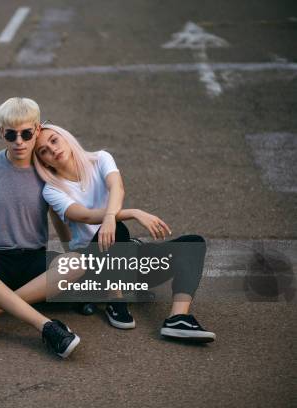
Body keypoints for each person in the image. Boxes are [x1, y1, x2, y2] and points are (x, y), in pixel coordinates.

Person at [33, 123, 216, 342]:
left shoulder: (100, 158)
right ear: (42, 161)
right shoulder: (52, 189)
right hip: (91, 266)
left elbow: (116, 187)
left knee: (193, 243)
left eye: (54, 140)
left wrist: (111, 218)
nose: (52, 150)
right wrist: (131, 213)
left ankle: (178, 319)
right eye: (43, 151)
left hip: (123, 255)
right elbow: (83, 215)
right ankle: (115, 300)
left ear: (65, 138)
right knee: (117, 229)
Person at [0, 98, 82, 358]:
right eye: (11, 134)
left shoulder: (48, 173)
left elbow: (59, 218)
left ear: (37, 129)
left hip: (32, 261)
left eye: (26, 133)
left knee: (77, 262)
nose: (19, 142)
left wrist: (74, 252)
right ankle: (47, 327)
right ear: (1, 132)